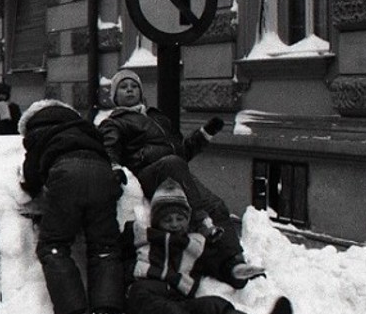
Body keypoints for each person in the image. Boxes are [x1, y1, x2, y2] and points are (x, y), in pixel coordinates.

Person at [99, 69, 254, 288]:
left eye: (134, 86)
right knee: (174, 167)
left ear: (141, 91)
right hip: (149, 173)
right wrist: (113, 167)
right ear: (115, 96)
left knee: (216, 206)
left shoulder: (157, 117)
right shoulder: (114, 123)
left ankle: (233, 265)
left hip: (176, 170)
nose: (130, 90)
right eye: (123, 87)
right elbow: (108, 149)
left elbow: (181, 152)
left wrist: (203, 135)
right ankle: (201, 221)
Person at [122, 178, 293, 314]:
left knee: (215, 305)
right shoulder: (143, 235)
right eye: (167, 220)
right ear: (157, 221)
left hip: (179, 300)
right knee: (148, 298)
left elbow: (216, 263)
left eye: (179, 219)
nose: (174, 224)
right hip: (146, 295)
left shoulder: (194, 244)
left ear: (187, 220)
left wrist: (235, 270)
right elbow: (115, 256)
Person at [18, 99, 124, 314]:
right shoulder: (83, 129)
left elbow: (31, 176)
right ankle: (107, 309)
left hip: (66, 176)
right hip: (102, 176)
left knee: (53, 246)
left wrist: (29, 186)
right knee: (105, 248)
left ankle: (72, 309)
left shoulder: (37, 132)